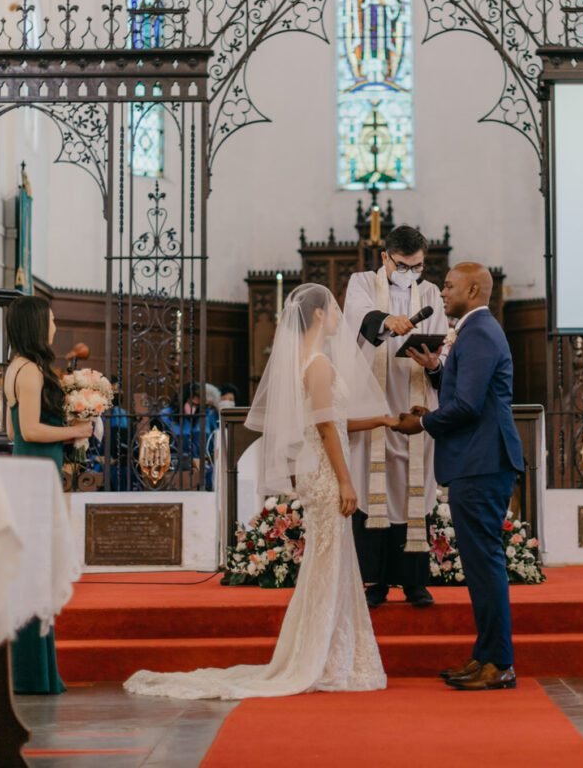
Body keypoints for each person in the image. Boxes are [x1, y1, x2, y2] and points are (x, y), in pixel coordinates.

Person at [125, 284, 399, 699]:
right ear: (320, 316)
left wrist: (381, 420)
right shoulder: (320, 363)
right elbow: (326, 426)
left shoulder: (303, 362)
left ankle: (323, 651)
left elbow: (334, 420)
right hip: (326, 473)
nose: (342, 315)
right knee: (330, 564)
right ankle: (319, 656)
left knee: (329, 564)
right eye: (336, 308)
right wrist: (345, 479)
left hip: (319, 467)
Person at [400, 263, 524, 691]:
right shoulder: (473, 332)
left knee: (485, 565)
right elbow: (470, 392)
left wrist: (423, 423)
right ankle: (486, 655)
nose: (443, 293)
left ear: (473, 289)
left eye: (449, 286)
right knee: (477, 565)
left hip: (483, 460)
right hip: (476, 459)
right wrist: (436, 370)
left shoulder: (480, 332)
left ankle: (500, 662)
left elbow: (469, 406)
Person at [343, 225, 448, 609]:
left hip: (415, 402)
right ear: (385, 258)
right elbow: (357, 317)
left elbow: (443, 344)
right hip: (372, 408)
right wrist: (387, 320)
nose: (411, 273)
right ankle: (374, 582)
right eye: (403, 265)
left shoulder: (431, 293)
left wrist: (434, 361)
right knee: (374, 492)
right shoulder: (362, 283)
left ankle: (415, 583)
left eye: (418, 266)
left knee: (413, 494)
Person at [3, 295, 94, 695]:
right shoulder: (31, 372)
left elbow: (10, 435)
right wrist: (75, 431)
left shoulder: (15, 367)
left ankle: (37, 674)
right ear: (36, 325)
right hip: (36, 480)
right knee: (35, 579)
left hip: (30, 475)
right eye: (51, 320)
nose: (55, 327)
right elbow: (30, 431)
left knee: (34, 578)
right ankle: (32, 676)